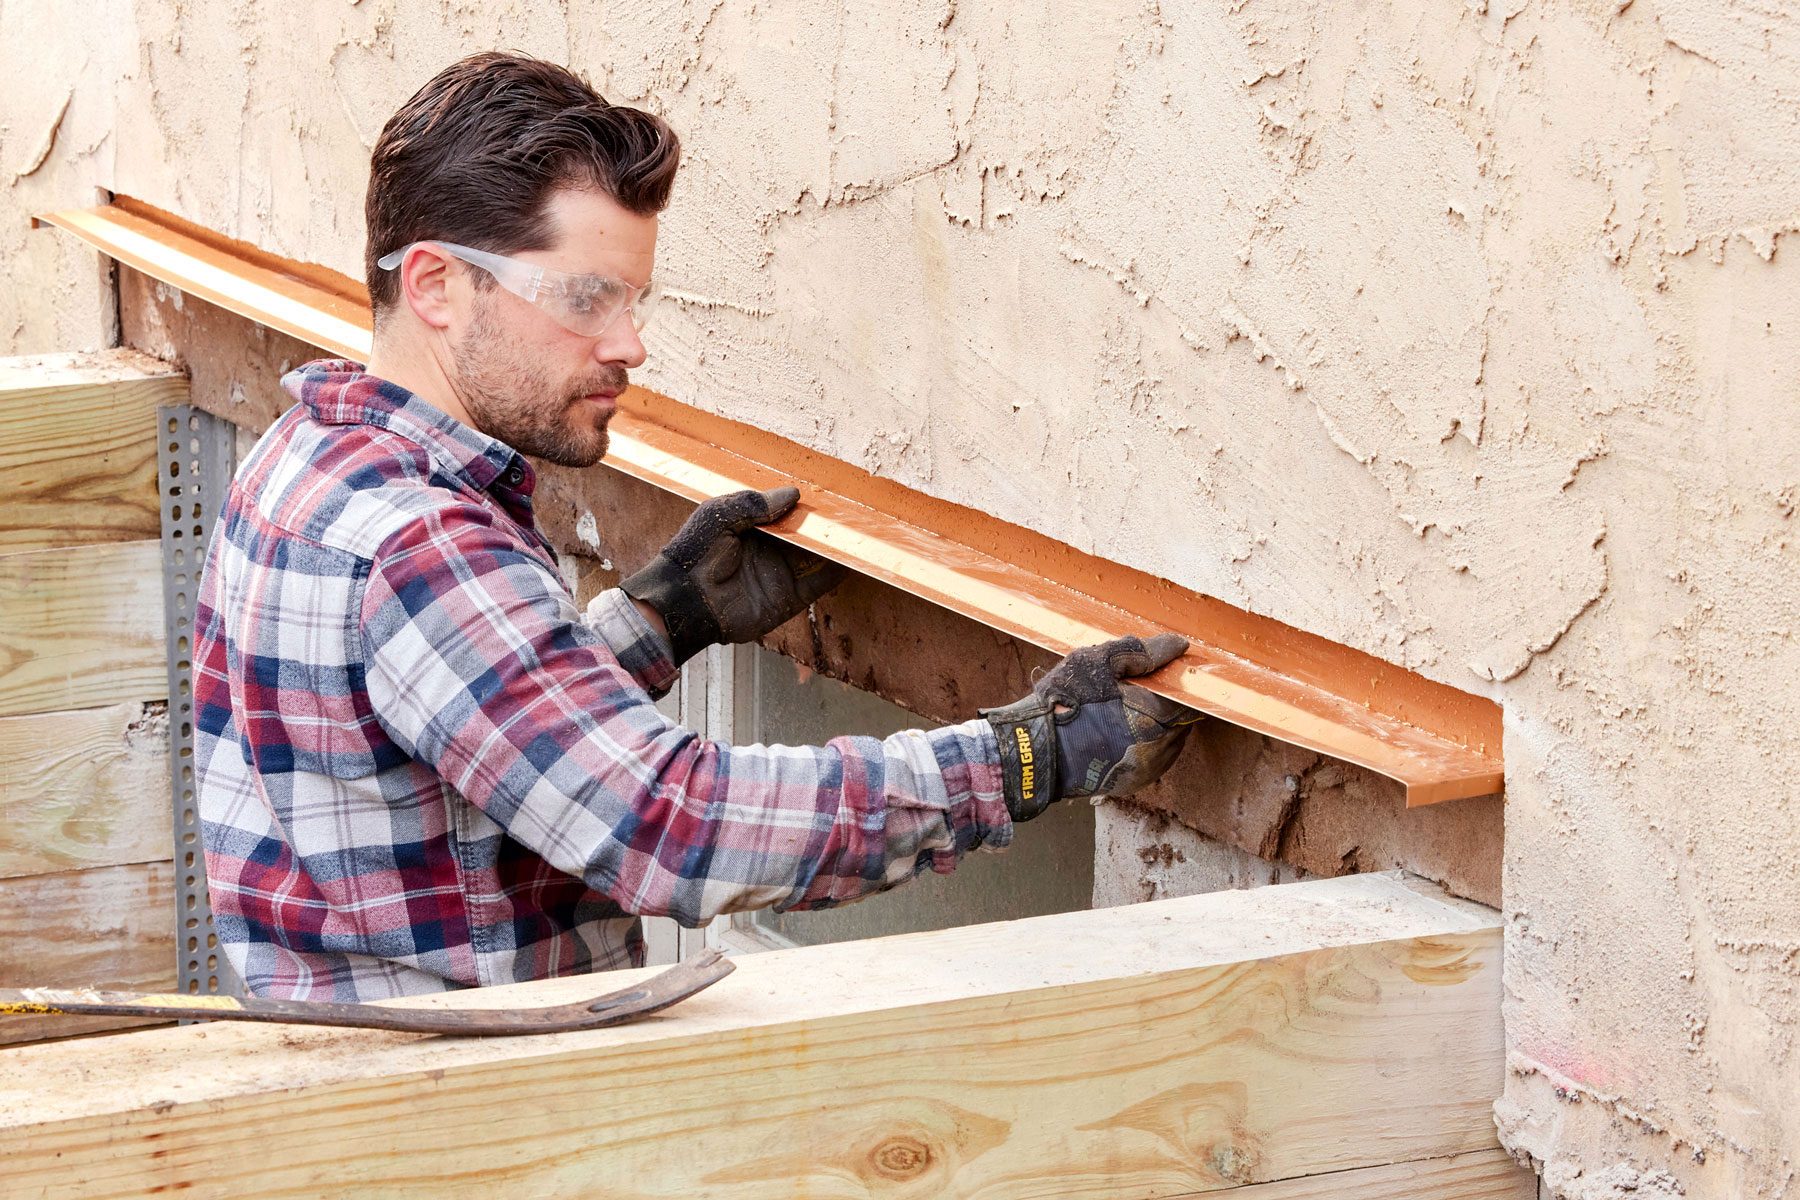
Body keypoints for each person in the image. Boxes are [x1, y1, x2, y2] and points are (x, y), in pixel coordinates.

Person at [193, 51, 1199, 1001]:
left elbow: (465, 738)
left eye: (632, 297)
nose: (629, 342)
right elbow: (674, 825)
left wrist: (661, 620)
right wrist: (1019, 760)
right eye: (587, 298)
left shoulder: (304, 457)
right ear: (438, 287)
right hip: (477, 1119)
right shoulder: (425, 547)